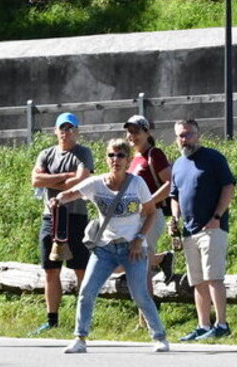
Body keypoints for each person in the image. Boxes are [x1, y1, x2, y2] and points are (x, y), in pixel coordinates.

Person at [50, 139, 169, 353]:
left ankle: (159, 336)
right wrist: (58, 199)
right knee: (87, 291)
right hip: (105, 248)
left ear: (128, 160)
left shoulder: (137, 184)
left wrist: (139, 238)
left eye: (121, 156)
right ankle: (80, 338)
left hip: (132, 248)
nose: (116, 160)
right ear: (106, 159)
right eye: (112, 155)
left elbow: (150, 212)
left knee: (140, 294)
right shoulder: (96, 183)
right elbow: (72, 193)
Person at [170, 118, 236, 342]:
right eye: (181, 135)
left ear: (198, 134)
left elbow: (229, 186)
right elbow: (174, 195)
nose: (184, 139)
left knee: (213, 277)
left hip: (212, 227)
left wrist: (217, 216)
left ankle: (222, 324)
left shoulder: (214, 158)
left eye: (188, 134)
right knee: (197, 280)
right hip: (189, 231)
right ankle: (203, 325)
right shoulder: (178, 165)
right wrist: (175, 219)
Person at [30, 112, 94, 335]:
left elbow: (81, 179)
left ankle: (84, 319)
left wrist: (53, 179)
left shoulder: (83, 153)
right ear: (55, 131)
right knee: (50, 269)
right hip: (51, 216)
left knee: (80, 268)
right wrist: (65, 177)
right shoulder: (46, 154)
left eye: (70, 128)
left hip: (75, 216)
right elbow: (35, 180)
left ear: (76, 131)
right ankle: (52, 319)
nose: (65, 133)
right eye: (62, 128)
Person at [124, 115, 176, 324]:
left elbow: (171, 183)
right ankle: (163, 259)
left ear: (147, 133)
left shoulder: (155, 154)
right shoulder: (133, 159)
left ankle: (147, 321)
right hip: (135, 218)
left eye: (136, 131)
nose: (132, 136)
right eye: (129, 131)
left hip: (152, 216)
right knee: (137, 262)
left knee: (141, 266)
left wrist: (149, 204)